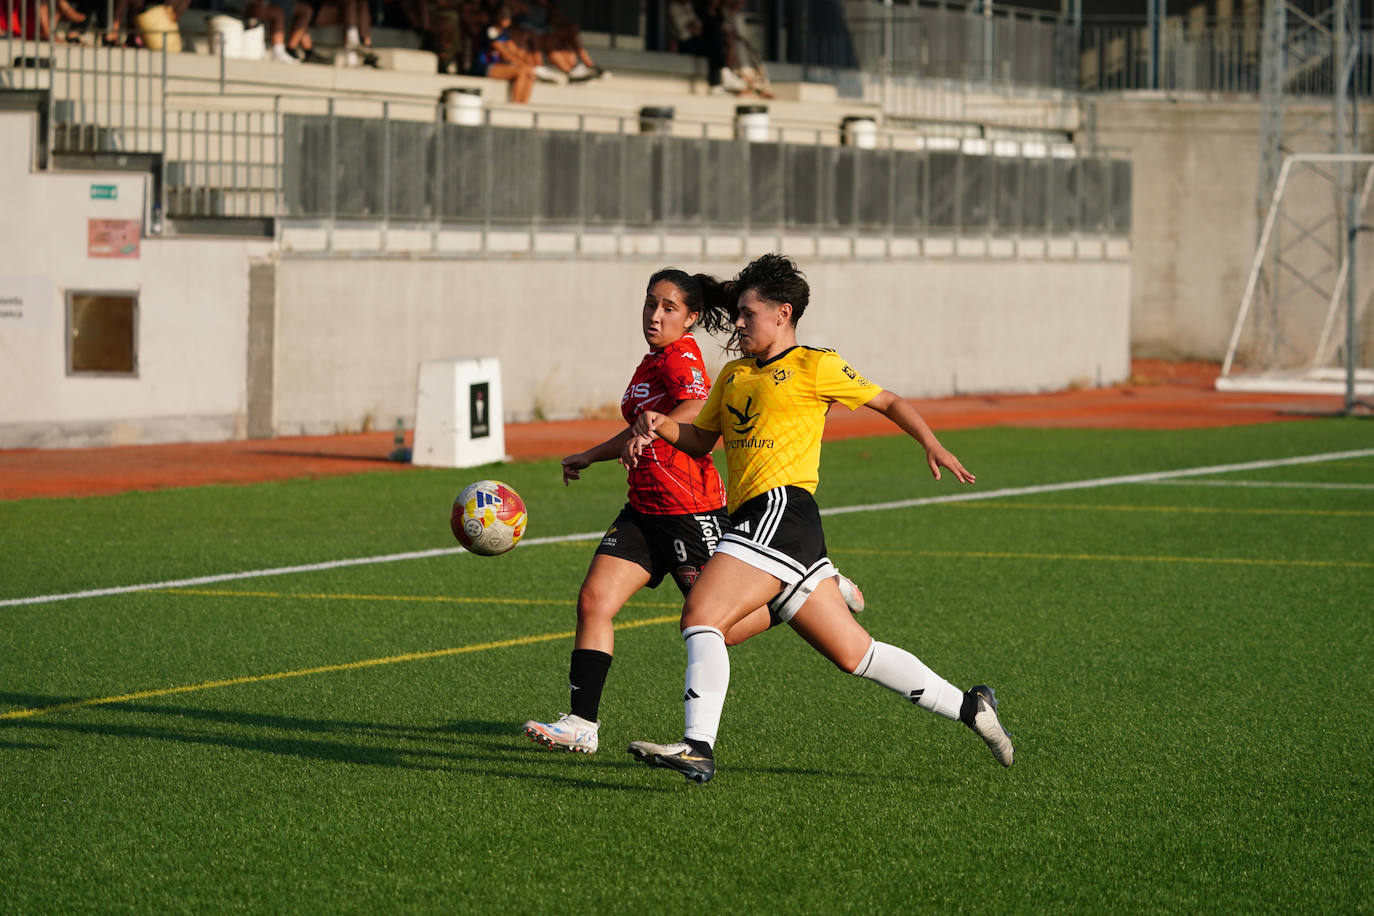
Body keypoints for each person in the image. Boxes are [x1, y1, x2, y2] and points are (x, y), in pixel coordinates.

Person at [623, 254, 1015, 783]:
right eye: (736, 313)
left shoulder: (816, 364)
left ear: (783, 313)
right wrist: (659, 424)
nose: (737, 323)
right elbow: (699, 441)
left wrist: (932, 442)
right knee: (854, 653)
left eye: (748, 314)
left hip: (780, 508)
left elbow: (889, 400)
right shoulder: (734, 375)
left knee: (700, 615)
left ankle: (698, 746)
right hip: (769, 525)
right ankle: (972, 707)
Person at [522, 268, 866, 755]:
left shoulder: (683, 356)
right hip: (643, 506)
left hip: (688, 507)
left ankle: (800, 589)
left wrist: (649, 430)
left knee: (717, 628)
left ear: (691, 318)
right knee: (594, 601)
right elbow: (645, 424)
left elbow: (694, 404)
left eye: (668, 307)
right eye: (649, 304)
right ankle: (582, 722)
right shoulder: (650, 362)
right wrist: (592, 455)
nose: (654, 315)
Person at [469, 4, 535, 103]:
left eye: (509, 15)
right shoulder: (490, 30)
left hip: (497, 65)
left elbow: (513, 50)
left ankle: (523, 104)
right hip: (483, 66)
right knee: (521, 71)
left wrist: (526, 60)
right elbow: (503, 52)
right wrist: (522, 64)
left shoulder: (505, 33)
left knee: (529, 72)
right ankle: (516, 104)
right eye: (504, 15)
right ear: (497, 16)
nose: (507, 18)